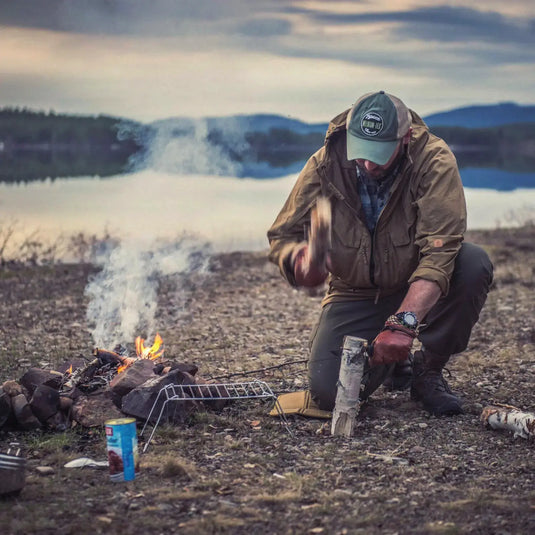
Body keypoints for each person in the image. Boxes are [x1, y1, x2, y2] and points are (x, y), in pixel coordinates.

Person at [267, 90, 493, 416]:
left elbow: (439, 251)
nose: (368, 164)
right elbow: (282, 236)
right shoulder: (325, 164)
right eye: (361, 152)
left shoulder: (434, 161)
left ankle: (427, 370)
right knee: (331, 394)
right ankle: (390, 364)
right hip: (355, 291)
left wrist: (403, 324)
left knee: (472, 263)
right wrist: (298, 261)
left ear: (406, 138)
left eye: (379, 153)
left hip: (419, 280)